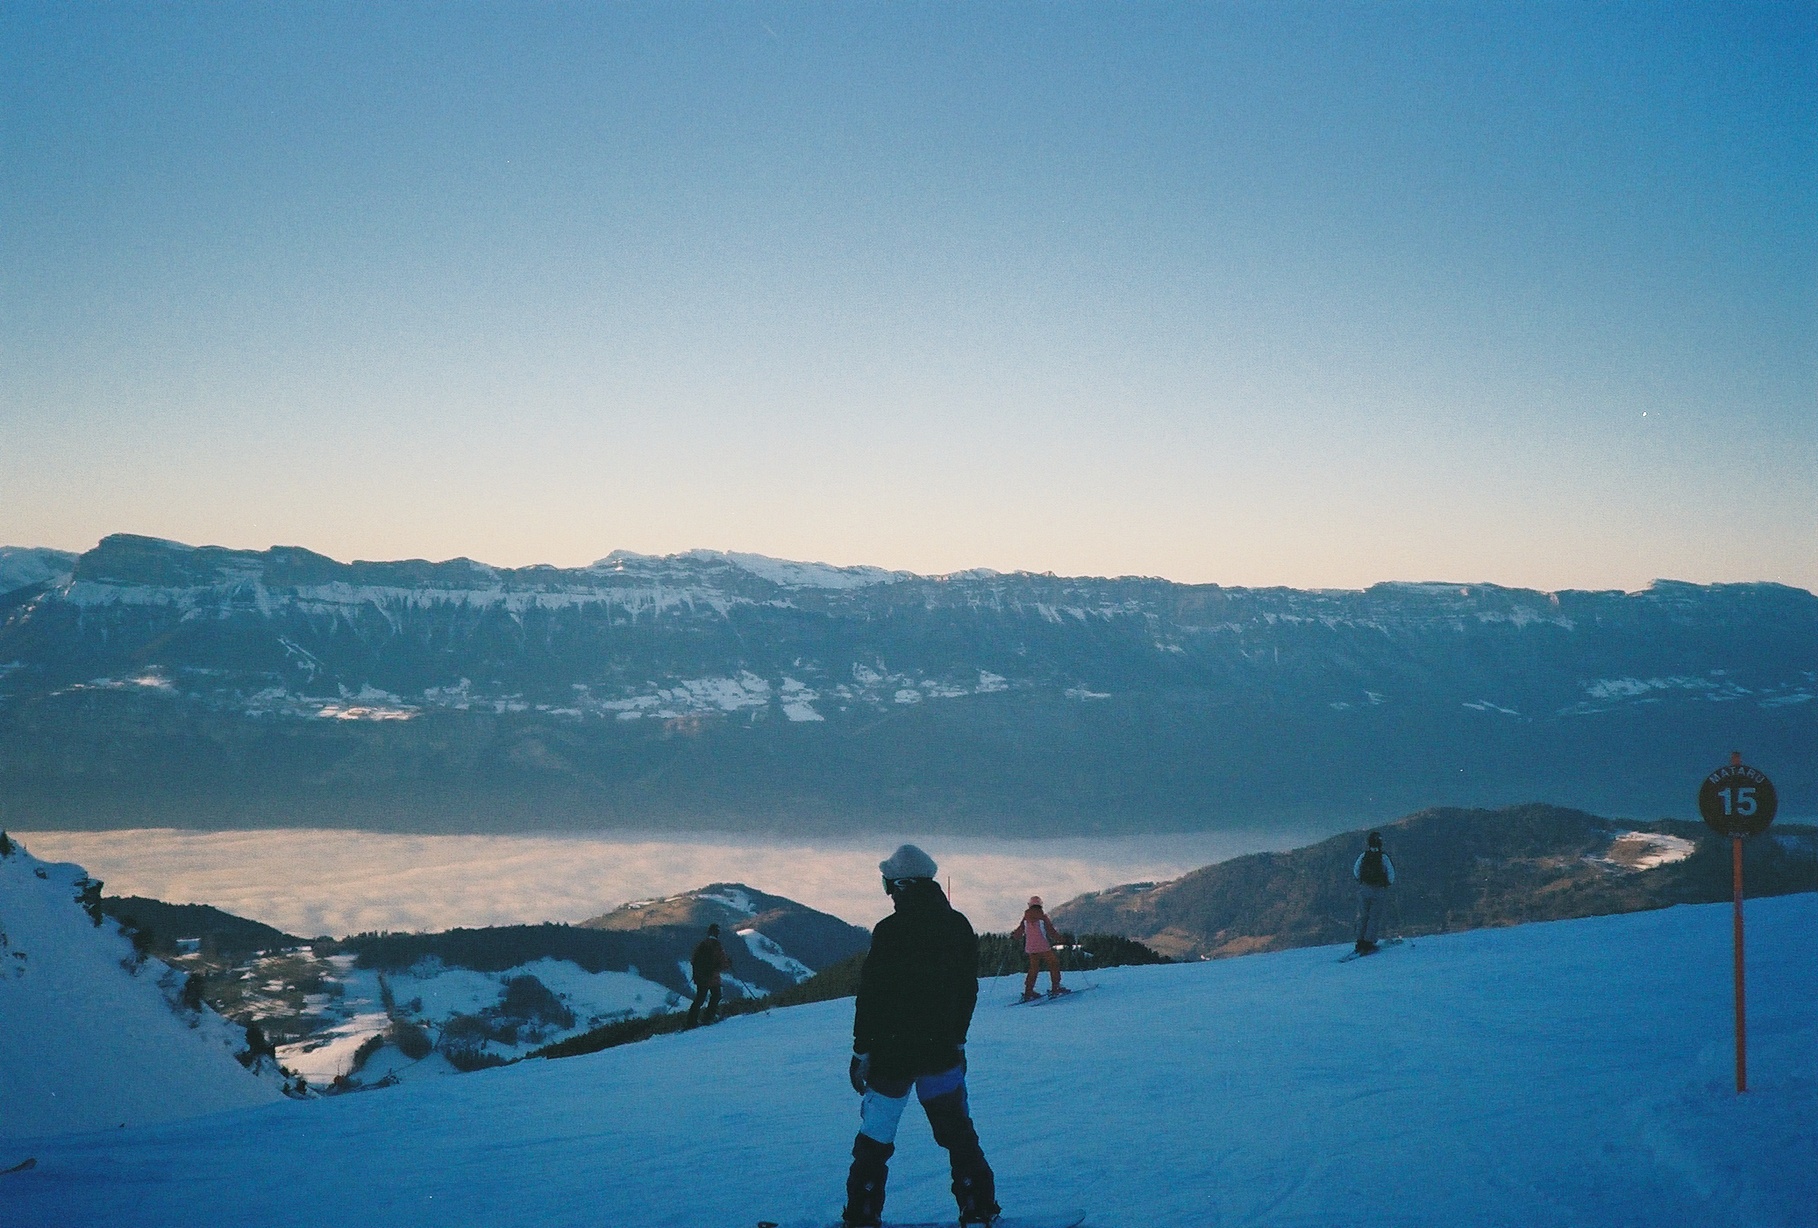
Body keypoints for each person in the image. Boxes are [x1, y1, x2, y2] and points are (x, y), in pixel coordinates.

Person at [842, 844, 1000, 1227]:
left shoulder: (890, 930)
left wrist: (862, 1051)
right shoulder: (957, 925)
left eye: (889, 885)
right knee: (957, 1134)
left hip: (891, 1055)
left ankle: (863, 1214)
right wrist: (958, 1041)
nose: (889, 894)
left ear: (906, 884)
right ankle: (977, 1207)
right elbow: (967, 991)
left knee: (875, 1141)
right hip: (940, 1052)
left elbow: (872, 995)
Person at [1015, 895, 1067, 1001]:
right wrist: (1062, 940)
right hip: (1043, 946)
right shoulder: (1042, 917)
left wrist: (1014, 936)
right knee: (1054, 964)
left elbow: (1020, 931)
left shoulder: (1026, 917)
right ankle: (1055, 988)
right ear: (1040, 905)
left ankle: (1028, 992)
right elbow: (1051, 931)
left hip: (1030, 948)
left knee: (1033, 968)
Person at [1352, 831, 1396, 955]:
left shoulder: (1363, 856)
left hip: (1364, 888)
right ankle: (1368, 942)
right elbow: (1391, 875)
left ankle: (1359, 941)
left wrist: (1362, 881)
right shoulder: (1383, 857)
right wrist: (1386, 884)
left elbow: (1356, 871)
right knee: (1374, 917)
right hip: (1378, 889)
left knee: (1363, 915)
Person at [688, 923, 731, 1026]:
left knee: (699, 999)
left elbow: (693, 960)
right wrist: (729, 963)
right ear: (717, 933)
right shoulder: (717, 946)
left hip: (700, 976)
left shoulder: (701, 944)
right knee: (716, 995)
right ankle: (708, 1018)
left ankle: (691, 1021)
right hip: (712, 977)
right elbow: (722, 963)